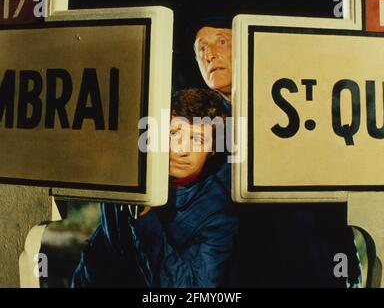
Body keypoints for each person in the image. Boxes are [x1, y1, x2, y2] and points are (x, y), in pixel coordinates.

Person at [192, 22, 361, 287]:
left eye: (221, 41)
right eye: (200, 50)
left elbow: (333, 198)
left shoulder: (297, 108)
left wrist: (345, 261)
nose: (209, 54)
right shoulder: (192, 132)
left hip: (310, 265)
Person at [71, 88, 239, 288]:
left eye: (197, 139)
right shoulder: (129, 174)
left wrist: (146, 219)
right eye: (174, 133)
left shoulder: (217, 215)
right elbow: (105, 247)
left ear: (212, 150)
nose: (181, 149)